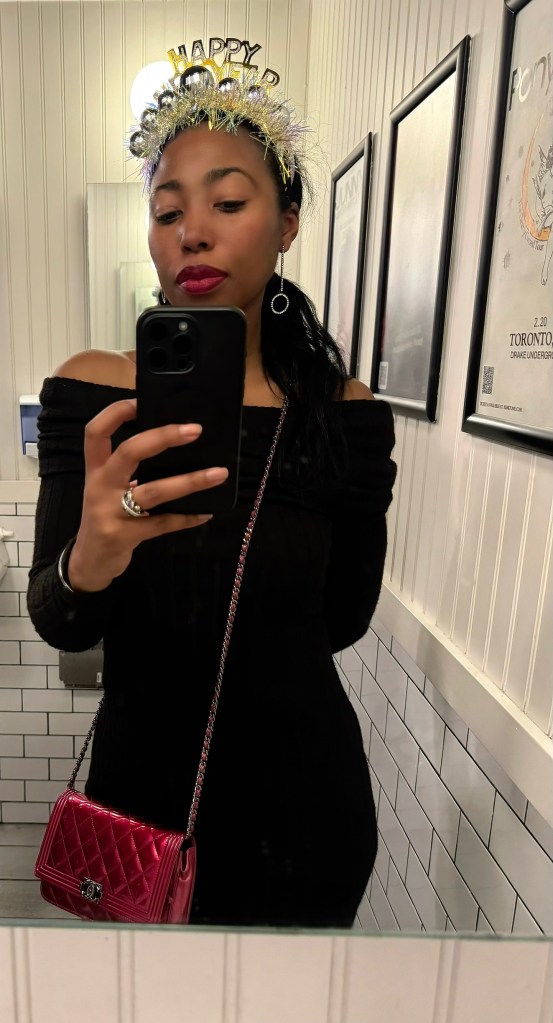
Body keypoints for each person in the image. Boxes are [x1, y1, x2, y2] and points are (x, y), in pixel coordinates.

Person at [27, 44, 397, 928]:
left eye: (228, 203)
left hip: (305, 812)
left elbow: (343, 618)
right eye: (167, 211)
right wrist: (92, 553)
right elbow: (60, 620)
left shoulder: (342, 415)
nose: (191, 231)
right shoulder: (93, 393)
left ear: (287, 221)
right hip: (139, 808)